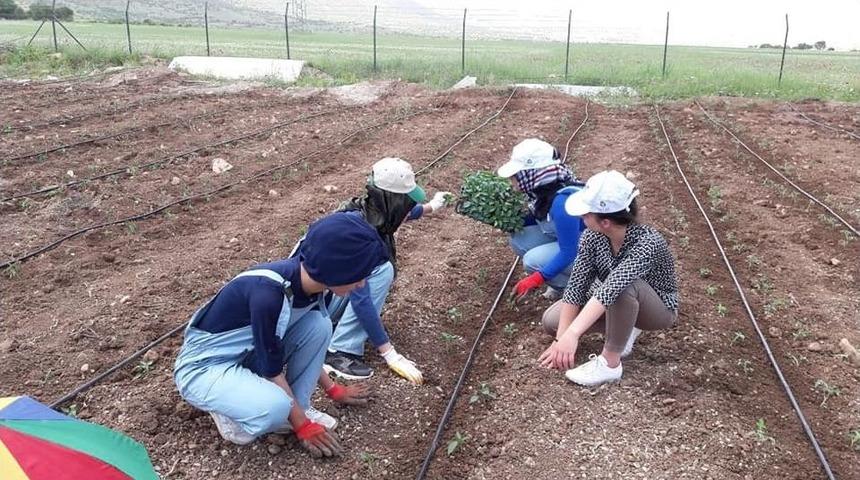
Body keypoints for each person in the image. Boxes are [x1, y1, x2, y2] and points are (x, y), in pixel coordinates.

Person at [173, 212, 388, 457]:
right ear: (336, 270)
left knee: (319, 325)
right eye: (358, 275)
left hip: (247, 356)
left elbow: (280, 348)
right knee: (272, 409)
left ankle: (297, 406)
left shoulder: (317, 288)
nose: (361, 284)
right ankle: (232, 413)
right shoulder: (270, 295)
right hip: (204, 368)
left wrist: (333, 389)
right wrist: (302, 426)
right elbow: (271, 367)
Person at [539, 170, 679, 386]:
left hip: (656, 309)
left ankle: (610, 364)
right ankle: (623, 327)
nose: (581, 217)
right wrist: (562, 338)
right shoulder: (592, 237)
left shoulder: (648, 242)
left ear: (605, 221)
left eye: (586, 214)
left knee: (624, 287)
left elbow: (613, 287)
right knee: (552, 322)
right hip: (612, 296)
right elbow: (577, 285)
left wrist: (574, 334)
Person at [322, 157, 452, 384]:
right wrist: (389, 353)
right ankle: (340, 351)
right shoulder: (360, 237)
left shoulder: (369, 212)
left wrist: (432, 206)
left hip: (325, 297)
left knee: (379, 270)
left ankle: (331, 328)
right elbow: (362, 300)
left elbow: (404, 215)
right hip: (312, 307)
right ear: (392, 201)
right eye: (406, 201)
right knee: (382, 271)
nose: (409, 207)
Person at [496, 138, 585, 301]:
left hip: (592, 256)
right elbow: (536, 220)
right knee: (520, 238)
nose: (512, 181)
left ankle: (584, 291)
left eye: (515, 176)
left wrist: (538, 278)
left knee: (532, 261)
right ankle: (565, 282)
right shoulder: (543, 193)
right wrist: (504, 219)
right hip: (574, 245)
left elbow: (569, 251)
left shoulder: (562, 202)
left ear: (530, 173)